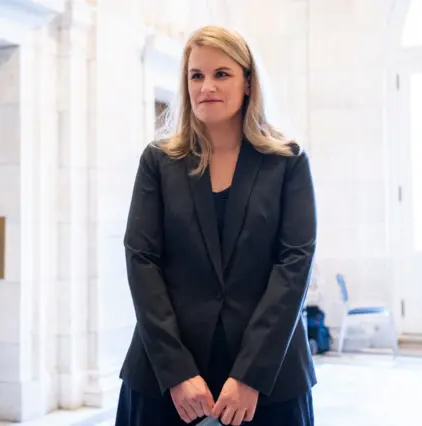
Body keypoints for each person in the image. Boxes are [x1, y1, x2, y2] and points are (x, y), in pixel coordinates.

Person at [115, 25, 317, 426]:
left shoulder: (288, 161)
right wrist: (176, 372)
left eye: (221, 73)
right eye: (196, 75)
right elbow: (142, 261)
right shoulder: (158, 161)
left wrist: (250, 375)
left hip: (268, 379)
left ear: (248, 82)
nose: (206, 85)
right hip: (167, 377)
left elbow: (294, 265)